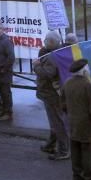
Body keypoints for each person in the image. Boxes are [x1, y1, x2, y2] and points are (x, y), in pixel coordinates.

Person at [32, 31, 69, 160]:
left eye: (46, 41)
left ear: (51, 42)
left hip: (51, 93)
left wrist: (36, 66)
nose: (43, 43)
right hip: (52, 92)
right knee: (55, 121)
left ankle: (64, 150)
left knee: (57, 121)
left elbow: (48, 74)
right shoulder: (58, 51)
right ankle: (51, 144)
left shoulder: (52, 57)